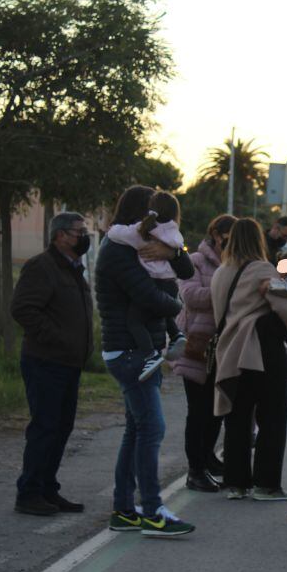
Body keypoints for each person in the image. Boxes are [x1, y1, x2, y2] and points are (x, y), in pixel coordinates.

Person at [96, 185, 196, 537]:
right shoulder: (118, 250)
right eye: (151, 212)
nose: (157, 219)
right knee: (152, 428)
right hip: (129, 352)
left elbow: (185, 270)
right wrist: (179, 308)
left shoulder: (144, 246)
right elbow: (147, 295)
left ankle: (124, 509)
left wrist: (172, 249)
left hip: (144, 351)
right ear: (140, 212)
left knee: (137, 429)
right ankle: (152, 511)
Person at [9, 212, 94, 516]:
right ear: (60, 236)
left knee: (61, 428)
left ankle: (47, 488)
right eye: (79, 231)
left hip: (69, 363)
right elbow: (23, 309)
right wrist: (57, 338)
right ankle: (29, 492)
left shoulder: (73, 269)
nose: (84, 236)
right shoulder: (42, 267)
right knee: (45, 427)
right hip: (45, 361)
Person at [211, 218, 287, 501]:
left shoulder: (221, 271)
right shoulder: (262, 269)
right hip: (261, 351)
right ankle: (266, 484)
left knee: (237, 418)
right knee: (272, 416)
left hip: (229, 353)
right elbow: (284, 310)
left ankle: (235, 483)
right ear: (258, 239)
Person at [171, 214, 234, 493]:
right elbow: (191, 296)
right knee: (198, 411)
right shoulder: (196, 261)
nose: (231, 243)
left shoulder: (235, 263)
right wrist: (226, 291)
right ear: (216, 234)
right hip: (197, 345)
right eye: (227, 237)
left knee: (216, 410)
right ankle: (195, 470)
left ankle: (207, 458)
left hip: (225, 345)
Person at [106, 191, 188, 381]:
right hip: (171, 284)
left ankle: (150, 356)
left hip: (154, 281)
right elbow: (182, 253)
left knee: (135, 321)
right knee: (164, 312)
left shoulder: (141, 232)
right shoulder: (173, 231)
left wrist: (114, 228)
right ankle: (176, 335)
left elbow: (117, 233)